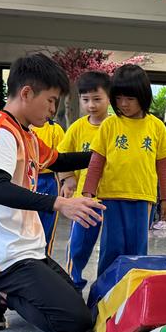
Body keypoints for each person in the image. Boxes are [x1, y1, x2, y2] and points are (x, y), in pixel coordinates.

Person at [0, 53, 103, 332]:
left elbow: (59, 160)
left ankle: (2, 291)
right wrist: (60, 203)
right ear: (26, 93)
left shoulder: (26, 134)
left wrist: (103, 155)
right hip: (5, 256)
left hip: (29, 249)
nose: (53, 109)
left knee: (80, 309)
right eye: (50, 100)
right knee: (73, 323)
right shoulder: (1, 132)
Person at [82, 64, 166, 277]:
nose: (123, 104)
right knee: (111, 247)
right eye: (119, 98)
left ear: (143, 96)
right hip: (111, 197)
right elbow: (96, 162)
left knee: (137, 250)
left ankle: (133, 290)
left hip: (143, 198)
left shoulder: (156, 126)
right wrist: (88, 193)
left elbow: (163, 166)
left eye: (130, 98)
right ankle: (105, 291)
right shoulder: (109, 125)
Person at [57, 70, 113, 290]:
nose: (91, 105)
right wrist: (68, 178)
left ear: (109, 98)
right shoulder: (78, 127)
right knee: (79, 245)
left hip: (113, 198)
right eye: (85, 99)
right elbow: (61, 155)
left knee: (112, 247)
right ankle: (73, 284)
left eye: (97, 99)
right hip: (85, 200)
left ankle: (109, 289)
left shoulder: (117, 126)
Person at [31, 115, 65, 256]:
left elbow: (62, 158)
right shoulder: (21, 128)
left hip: (49, 180)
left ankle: (44, 259)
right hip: (26, 179)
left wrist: (65, 181)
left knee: (46, 228)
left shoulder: (55, 129)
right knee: (26, 227)